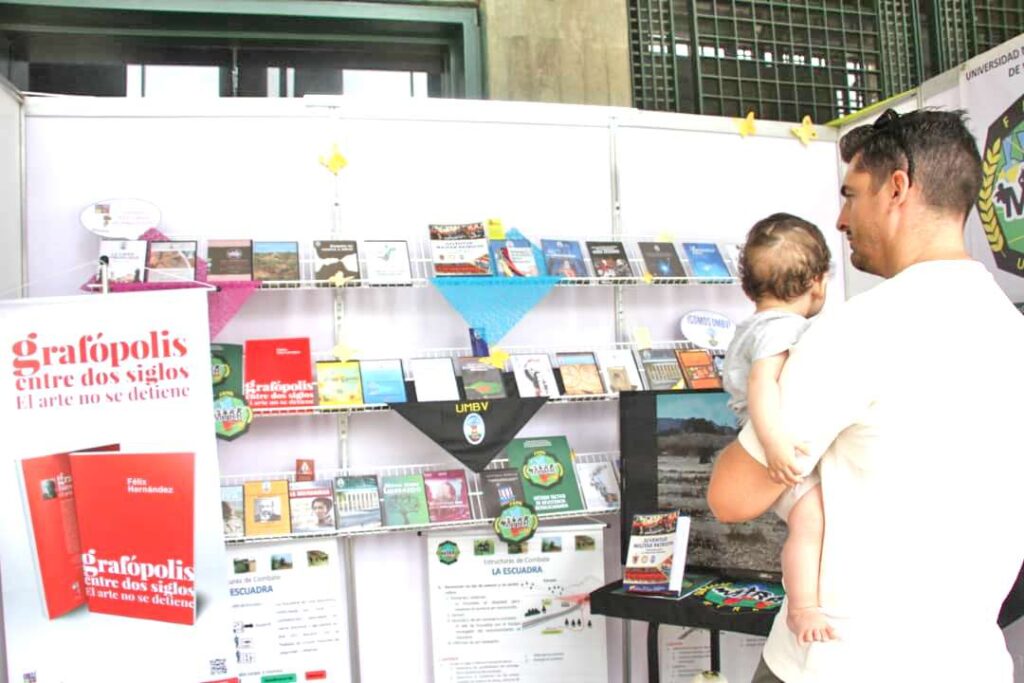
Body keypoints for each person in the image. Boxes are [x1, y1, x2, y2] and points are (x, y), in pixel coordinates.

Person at [707, 108, 1024, 683]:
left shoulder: (859, 329)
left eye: (851, 195)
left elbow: (732, 496)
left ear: (897, 188)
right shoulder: (1012, 331)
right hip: (971, 661)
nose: (841, 217)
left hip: (839, 660)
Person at [721, 213, 832, 645]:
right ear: (817, 282)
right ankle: (803, 607)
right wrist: (774, 446)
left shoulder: (755, 326)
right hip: (773, 448)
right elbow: (762, 386)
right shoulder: (783, 329)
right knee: (811, 521)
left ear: (749, 286)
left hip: (769, 442)